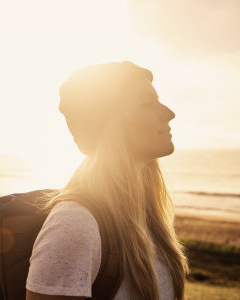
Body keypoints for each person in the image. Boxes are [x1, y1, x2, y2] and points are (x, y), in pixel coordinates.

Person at [25, 61, 189, 300]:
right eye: (148, 103)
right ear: (110, 123)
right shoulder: (76, 223)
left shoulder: (145, 216)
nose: (169, 113)